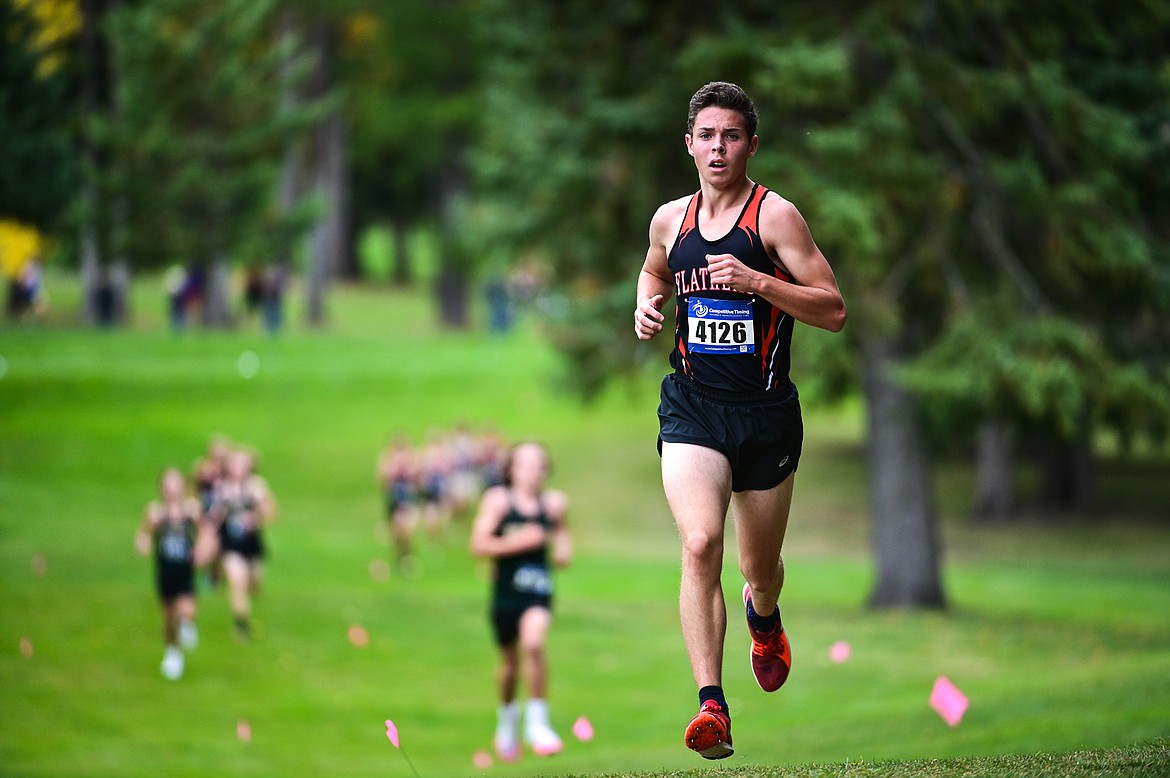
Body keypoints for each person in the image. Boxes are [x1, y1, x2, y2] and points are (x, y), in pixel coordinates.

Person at [633, 81, 846, 760]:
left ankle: (764, 615)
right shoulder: (670, 219)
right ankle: (712, 707)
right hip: (692, 407)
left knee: (758, 565)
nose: (718, 148)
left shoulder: (775, 217)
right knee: (700, 545)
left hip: (766, 415)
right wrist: (645, 304)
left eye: (731, 136)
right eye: (707, 136)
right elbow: (653, 272)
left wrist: (758, 282)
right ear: (689, 143)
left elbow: (833, 309)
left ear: (751, 144)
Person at [469, 442, 571, 761]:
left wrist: (562, 549)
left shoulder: (553, 504)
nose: (533, 471)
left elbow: (562, 541)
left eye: (540, 464)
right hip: (506, 595)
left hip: (538, 592)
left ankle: (538, 725)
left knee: (534, 641)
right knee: (509, 665)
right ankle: (507, 723)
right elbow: (479, 544)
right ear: (511, 469)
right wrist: (520, 541)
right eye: (525, 464)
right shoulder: (499, 501)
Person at [135, 467, 217, 679]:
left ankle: (187, 624)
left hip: (185, 570)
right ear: (162, 488)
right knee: (169, 617)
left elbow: (206, 533)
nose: (172, 489)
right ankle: (173, 653)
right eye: (168, 484)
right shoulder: (155, 512)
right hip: (165, 571)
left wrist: (202, 551)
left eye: (176, 484)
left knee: (187, 610)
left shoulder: (191, 510)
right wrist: (143, 544)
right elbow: (143, 535)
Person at [207, 448, 277, 638]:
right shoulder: (222, 488)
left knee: (254, 584)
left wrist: (256, 517)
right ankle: (241, 625)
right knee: (237, 581)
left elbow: (271, 511)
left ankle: (244, 605)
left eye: (242, 464)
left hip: (252, 544)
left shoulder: (256, 486)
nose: (238, 468)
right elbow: (214, 517)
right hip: (230, 544)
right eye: (235, 464)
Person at [376, 433, 421, 574]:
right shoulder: (387, 461)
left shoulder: (412, 460)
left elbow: (419, 479)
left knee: (407, 530)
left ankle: (407, 557)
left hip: (408, 500)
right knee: (397, 533)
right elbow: (381, 481)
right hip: (394, 501)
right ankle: (400, 558)